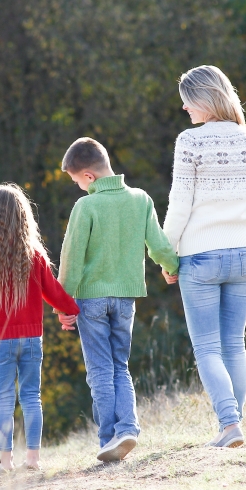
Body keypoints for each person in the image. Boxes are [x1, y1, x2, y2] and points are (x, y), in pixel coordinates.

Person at [162, 64, 246, 449]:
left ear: (204, 98)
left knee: (208, 347)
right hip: (243, 256)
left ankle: (229, 425)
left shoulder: (190, 142)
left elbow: (180, 205)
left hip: (200, 257)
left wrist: (166, 253)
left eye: (187, 101)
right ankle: (232, 426)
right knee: (233, 344)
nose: (184, 110)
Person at [57, 138, 179, 463]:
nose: (79, 189)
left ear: (88, 177)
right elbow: (159, 244)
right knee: (119, 365)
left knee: (99, 369)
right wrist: (171, 267)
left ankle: (109, 437)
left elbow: (71, 259)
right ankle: (127, 428)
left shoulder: (87, 206)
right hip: (126, 298)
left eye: (76, 182)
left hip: (91, 299)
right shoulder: (141, 200)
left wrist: (62, 304)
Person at [0, 184, 79, 475]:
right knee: (32, 397)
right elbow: (54, 292)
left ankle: (7, 462)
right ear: (23, 218)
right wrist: (69, 311)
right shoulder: (33, 256)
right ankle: (33, 460)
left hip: (0, 342)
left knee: (4, 401)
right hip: (32, 339)